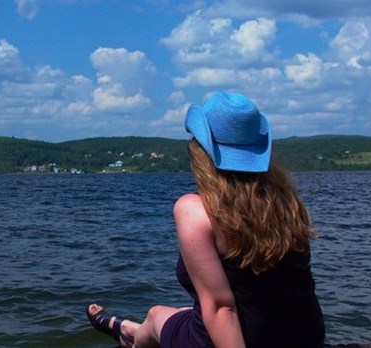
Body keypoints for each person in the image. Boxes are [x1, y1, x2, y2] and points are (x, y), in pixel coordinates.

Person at [86, 91, 325, 348]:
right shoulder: (287, 204)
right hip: (306, 336)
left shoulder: (194, 209)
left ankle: (130, 337)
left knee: (156, 316)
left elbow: (222, 308)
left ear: (201, 152)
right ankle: (130, 330)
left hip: (241, 340)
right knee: (182, 314)